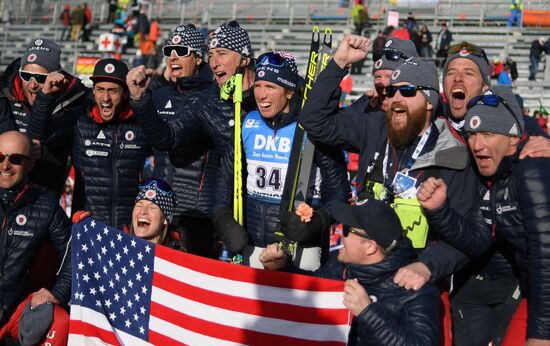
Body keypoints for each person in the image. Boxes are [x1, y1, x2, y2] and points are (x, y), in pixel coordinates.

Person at [299, 35, 484, 292]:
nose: (396, 97)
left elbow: (470, 239)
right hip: (360, 270)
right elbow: (313, 121)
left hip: (411, 282)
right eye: (391, 90)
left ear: (430, 102)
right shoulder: (374, 126)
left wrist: (428, 266)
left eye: (407, 91)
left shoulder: (453, 153)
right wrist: (339, 62)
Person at [420, 86, 550, 345]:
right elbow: (479, 239)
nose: (477, 144)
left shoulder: (532, 169)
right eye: (472, 134)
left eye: (488, 134)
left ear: (514, 139)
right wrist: (440, 211)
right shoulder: (495, 177)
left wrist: (541, 334)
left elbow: (545, 256)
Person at [213, 51, 350, 269]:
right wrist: (224, 220)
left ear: (288, 92)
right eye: (258, 85)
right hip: (251, 244)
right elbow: (225, 180)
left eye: (270, 87)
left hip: (300, 247)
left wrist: (316, 223)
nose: (261, 94)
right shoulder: (248, 122)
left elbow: (340, 192)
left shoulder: (313, 126)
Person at [259, 199, 440, 345]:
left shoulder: (416, 289)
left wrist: (367, 312)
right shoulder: (341, 266)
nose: (339, 232)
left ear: (370, 247)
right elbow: (310, 292)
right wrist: (282, 268)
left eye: (347, 229)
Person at [127, 24, 222, 259]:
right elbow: (143, 146)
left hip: (197, 214)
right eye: (169, 50)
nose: (172, 56)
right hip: (159, 209)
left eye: (181, 50)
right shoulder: (158, 96)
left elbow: (168, 138)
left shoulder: (214, 97)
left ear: (199, 57)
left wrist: (139, 100)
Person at [30, 58, 152, 230]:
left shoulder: (140, 123)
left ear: (125, 93)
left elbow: (165, 144)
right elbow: (38, 137)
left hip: (131, 230)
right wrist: (45, 97)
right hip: (88, 227)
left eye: (113, 91)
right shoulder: (79, 121)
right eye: (100, 89)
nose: (106, 98)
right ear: (93, 91)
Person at [0, 131, 71, 346]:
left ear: (30, 165)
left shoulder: (45, 203)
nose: (5, 166)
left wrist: (58, 292)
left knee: (60, 321)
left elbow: (75, 250)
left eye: (15, 159)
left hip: (14, 310)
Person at [0, 38, 88, 196]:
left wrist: (45, 98)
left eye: (40, 78)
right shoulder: (4, 92)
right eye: (26, 76)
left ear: (56, 77)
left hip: (45, 194)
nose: (32, 84)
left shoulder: (75, 100)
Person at [129, 177, 187, 251]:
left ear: (165, 219)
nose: (143, 212)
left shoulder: (177, 256)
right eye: (139, 205)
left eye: (152, 208)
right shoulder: (118, 245)